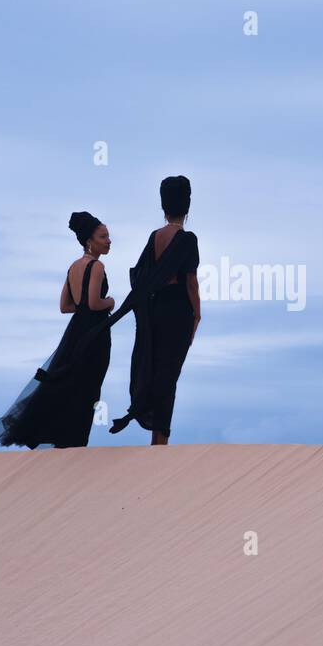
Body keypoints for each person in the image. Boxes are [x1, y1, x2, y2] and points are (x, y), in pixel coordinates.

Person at [0, 212, 114, 449]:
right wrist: (111, 302)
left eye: (108, 236)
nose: (109, 240)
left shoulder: (73, 267)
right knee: (87, 389)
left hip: (75, 332)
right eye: (103, 236)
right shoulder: (96, 266)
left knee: (69, 383)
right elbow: (96, 303)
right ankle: (76, 443)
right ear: (89, 240)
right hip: (94, 333)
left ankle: (63, 440)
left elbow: (65, 306)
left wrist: (83, 307)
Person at [110, 176, 201, 445]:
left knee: (156, 368)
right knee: (169, 373)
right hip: (177, 310)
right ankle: (160, 439)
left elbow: (141, 275)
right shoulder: (187, 239)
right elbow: (191, 283)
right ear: (188, 205)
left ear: (164, 206)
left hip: (155, 309)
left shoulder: (154, 237)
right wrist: (197, 313)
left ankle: (158, 437)